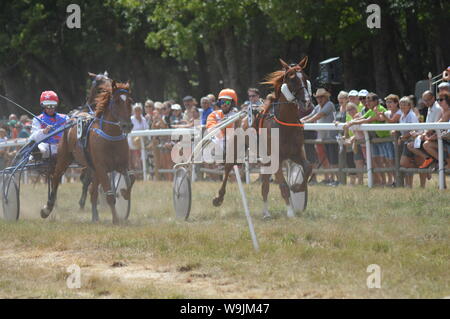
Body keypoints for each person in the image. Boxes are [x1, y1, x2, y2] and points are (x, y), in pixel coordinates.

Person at [345, 93, 390, 186]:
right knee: (377, 161)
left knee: (387, 161)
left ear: (376, 101)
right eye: (367, 100)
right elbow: (363, 118)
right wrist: (352, 122)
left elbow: (367, 120)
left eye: (370, 100)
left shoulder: (380, 109)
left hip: (385, 138)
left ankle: (390, 181)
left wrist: (351, 123)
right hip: (377, 139)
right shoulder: (371, 110)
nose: (367, 102)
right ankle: (383, 181)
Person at [301, 88, 338, 185]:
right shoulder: (317, 107)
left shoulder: (329, 105)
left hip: (331, 137)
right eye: (317, 97)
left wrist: (304, 122)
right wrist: (300, 121)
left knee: (332, 159)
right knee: (323, 158)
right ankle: (327, 178)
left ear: (326, 97)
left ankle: (334, 179)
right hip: (321, 137)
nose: (319, 99)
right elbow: (310, 115)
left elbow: (319, 116)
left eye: (321, 97)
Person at [29, 91, 69, 160]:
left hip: (63, 146)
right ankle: (37, 153)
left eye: (52, 105)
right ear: (43, 105)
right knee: (41, 148)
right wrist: (44, 131)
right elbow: (32, 138)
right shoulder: (37, 119)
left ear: (56, 105)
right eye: (47, 105)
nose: (50, 108)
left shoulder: (65, 118)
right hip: (46, 147)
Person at [206, 88, 239, 162]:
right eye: (223, 102)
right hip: (217, 143)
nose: (224, 104)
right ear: (219, 103)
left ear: (232, 104)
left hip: (232, 144)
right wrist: (222, 124)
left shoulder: (237, 115)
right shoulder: (213, 114)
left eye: (227, 102)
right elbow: (211, 129)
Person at [128, 103, 149, 175]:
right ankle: (136, 175)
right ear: (134, 111)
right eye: (136, 110)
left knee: (142, 159)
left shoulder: (143, 119)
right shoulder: (131, 119)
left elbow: (146, 129)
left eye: (139, 110)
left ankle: (143, 174)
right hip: (132, 142)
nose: (138, 112)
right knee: (134, 160)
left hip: (142, 141)